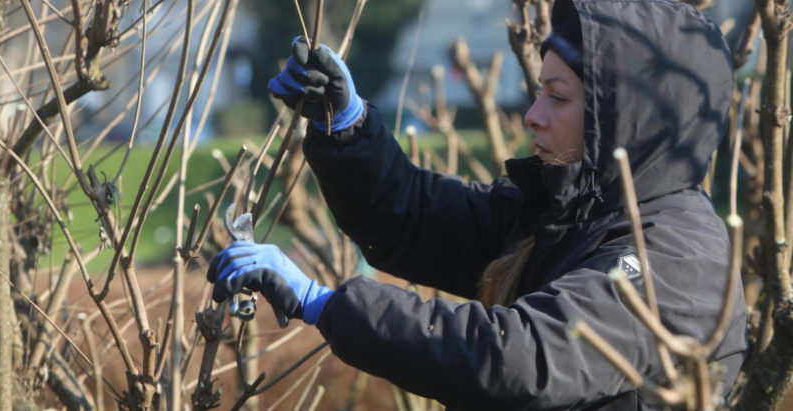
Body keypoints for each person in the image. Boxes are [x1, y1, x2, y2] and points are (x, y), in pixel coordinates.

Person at [207, 0, 748, 409]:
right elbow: (416, 217)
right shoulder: (571, 213)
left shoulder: (678, 260)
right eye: (540, 92)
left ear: (629, 122)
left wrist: (322, 304)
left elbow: (518, 359)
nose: (533, 115)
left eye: (558, 98)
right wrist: (347, 126)